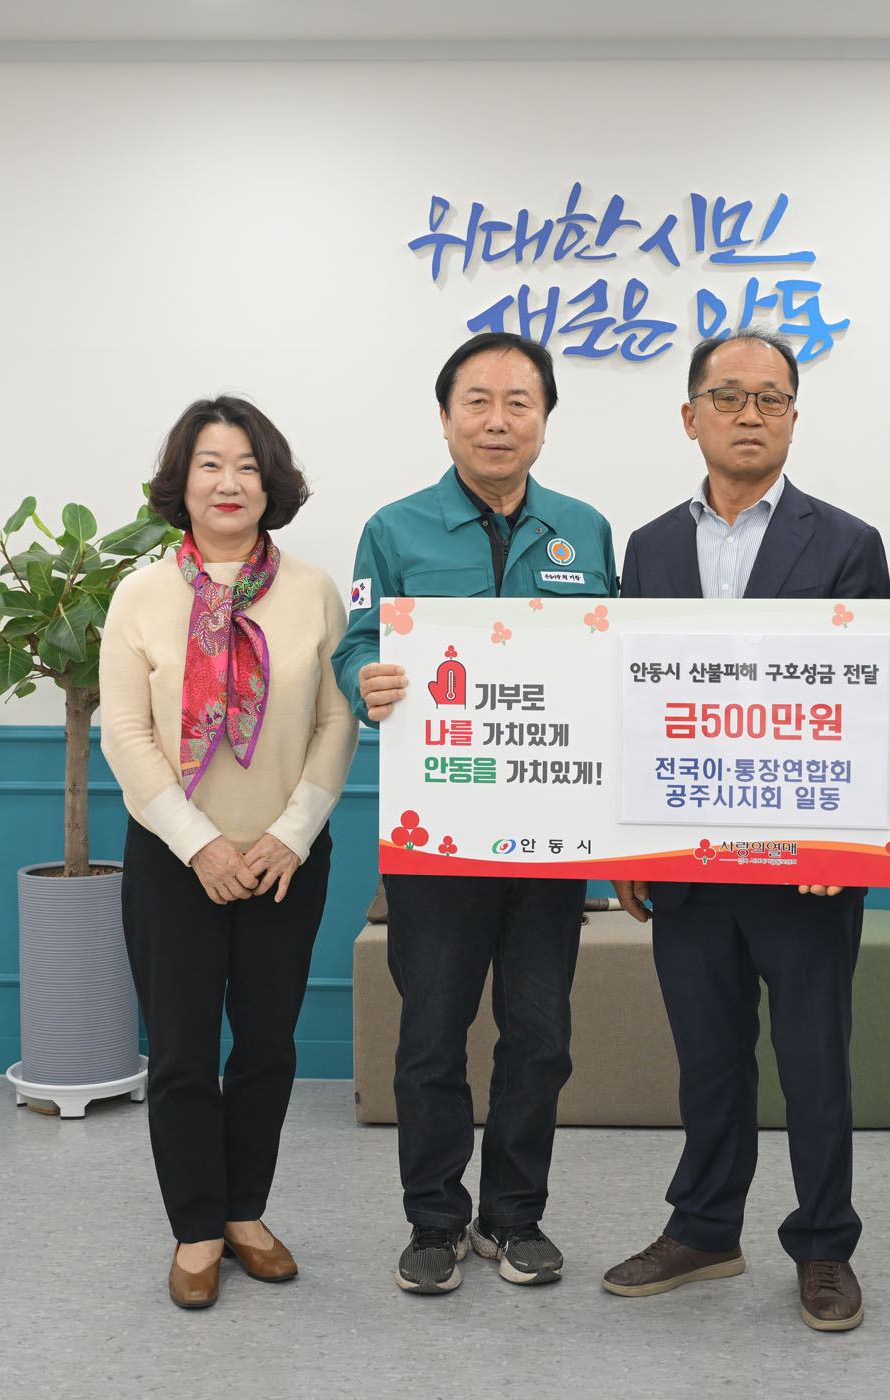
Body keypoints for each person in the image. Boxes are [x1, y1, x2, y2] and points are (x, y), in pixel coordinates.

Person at [602, 329, 889, 1332]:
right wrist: (631, 845)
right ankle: (704, 1229)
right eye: (729, 396)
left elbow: (866, 703)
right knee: (709, 1060)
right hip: (685, 861)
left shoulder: (848, 542)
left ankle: (824, 1244)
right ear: (691, 416)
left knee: (814, 1064)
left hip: (806, 868)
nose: (750, 414)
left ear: (795, 418)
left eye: (772, 398)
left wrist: (842, 842)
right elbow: (634, 701)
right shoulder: (649, 546)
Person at [330, 331, 616, 1295]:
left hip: (551, 834)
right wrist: (363, 676)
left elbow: (614, 663)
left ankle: (514, 1216)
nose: (498, 421)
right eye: (478, 402)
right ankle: (435, 1220)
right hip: (437, 833)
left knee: (541, 1038)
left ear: (545, 419)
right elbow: (355, 643)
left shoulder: (586, 530)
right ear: (446, 417)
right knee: (430, 1037)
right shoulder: (393, 530)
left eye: (519, 402)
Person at [100, 395, 358, 1310]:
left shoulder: (314, 591)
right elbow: (126, 733)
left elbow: (336, 720)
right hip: (175, 859)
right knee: (179, 1051)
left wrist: (289, 836)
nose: (229, 482)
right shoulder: (140, 594)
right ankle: (197, 1229)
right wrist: (201, 844)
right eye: (210, 464)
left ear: (271, 482)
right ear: (182, 481)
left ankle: (246, 1212)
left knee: (266, 1047)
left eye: (247, 465)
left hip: (287, 861)